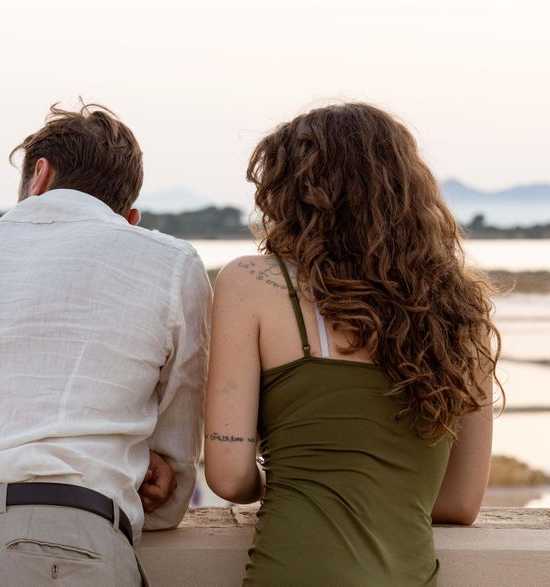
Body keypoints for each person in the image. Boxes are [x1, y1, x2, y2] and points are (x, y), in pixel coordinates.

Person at [0, 102, 210, 586]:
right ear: (130, 217)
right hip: (70, 539)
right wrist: (143, 465)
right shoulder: (170, 261)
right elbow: (172, 476)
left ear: (39, 175)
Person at [204, 102, 500, 586]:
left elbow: (229, 477)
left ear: (291, 193)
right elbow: (460, 503)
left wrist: (302, 476)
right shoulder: (461, 310)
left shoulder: (252, 282)